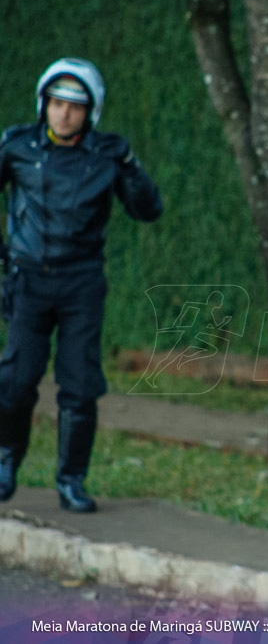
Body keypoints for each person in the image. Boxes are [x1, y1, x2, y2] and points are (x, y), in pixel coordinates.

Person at [0, 57, 164, 512]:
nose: (63, 113)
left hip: (81, 284)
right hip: (28, 281)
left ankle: (72, 480)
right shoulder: (16, 146)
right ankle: (5, 461)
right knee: (15, 379)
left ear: (90, 111)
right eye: (55, 103)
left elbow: (148, 210)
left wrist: (130, 164)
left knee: (80, 384)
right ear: (42, 104)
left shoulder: (107, 155)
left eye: (74, 106)